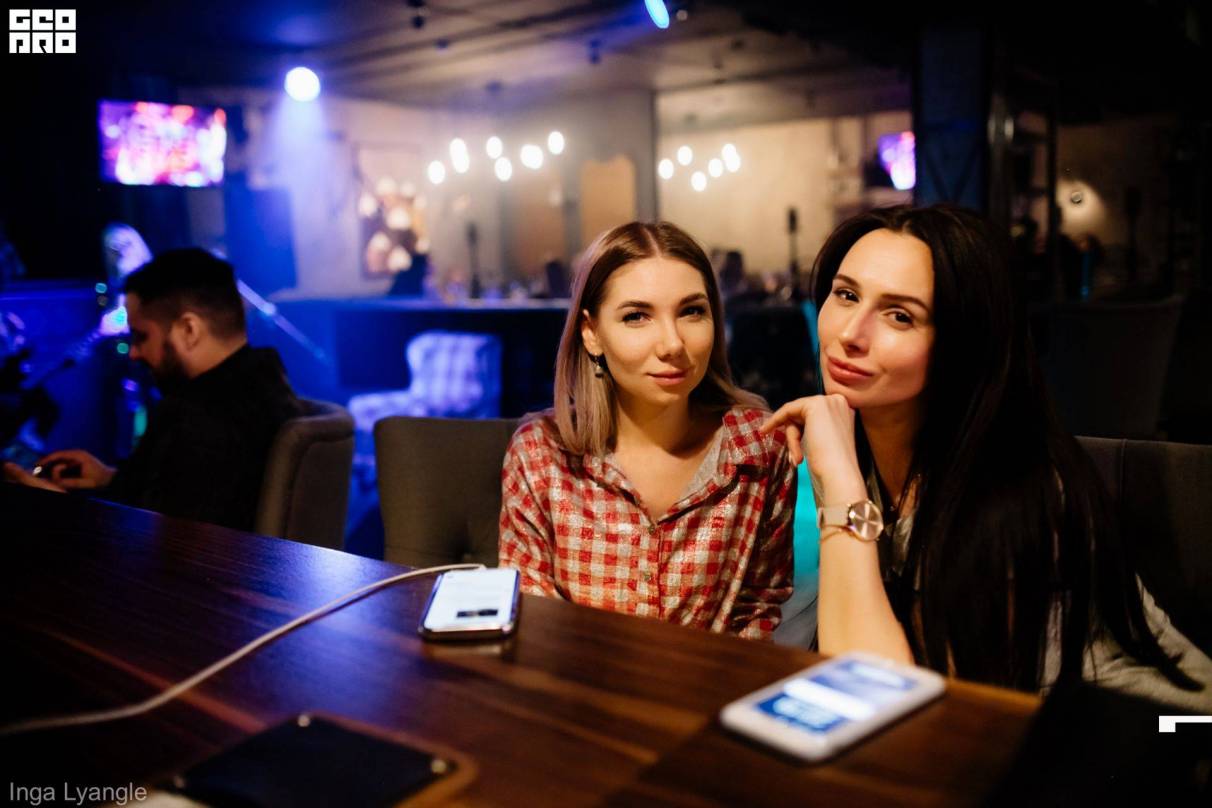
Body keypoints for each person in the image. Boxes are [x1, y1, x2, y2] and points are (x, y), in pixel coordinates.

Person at [762, 204, 1211, 708]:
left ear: (961, 343)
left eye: (900, 316)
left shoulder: (1015, 495)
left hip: (1157, 729)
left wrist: (841, 487)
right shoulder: (855, 446)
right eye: (846, 295)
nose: (850, 334)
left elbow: (880, 699)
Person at [498, 221, 795, 640]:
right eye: (636, 316)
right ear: (591, 333)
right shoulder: (541, 455)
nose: (672, 344)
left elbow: (758, 611)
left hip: (714, 682)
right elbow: (533, 617)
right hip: (573, 681)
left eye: (692, 311)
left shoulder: (759, 448)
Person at [3, 248, 304, 532]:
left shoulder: (200, 417)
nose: (134, 353)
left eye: (141, 336)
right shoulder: (266, 382)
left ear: (189, 330)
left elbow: (163, 543)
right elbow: (183, 495)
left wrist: (55, 505)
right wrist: (110, 478)